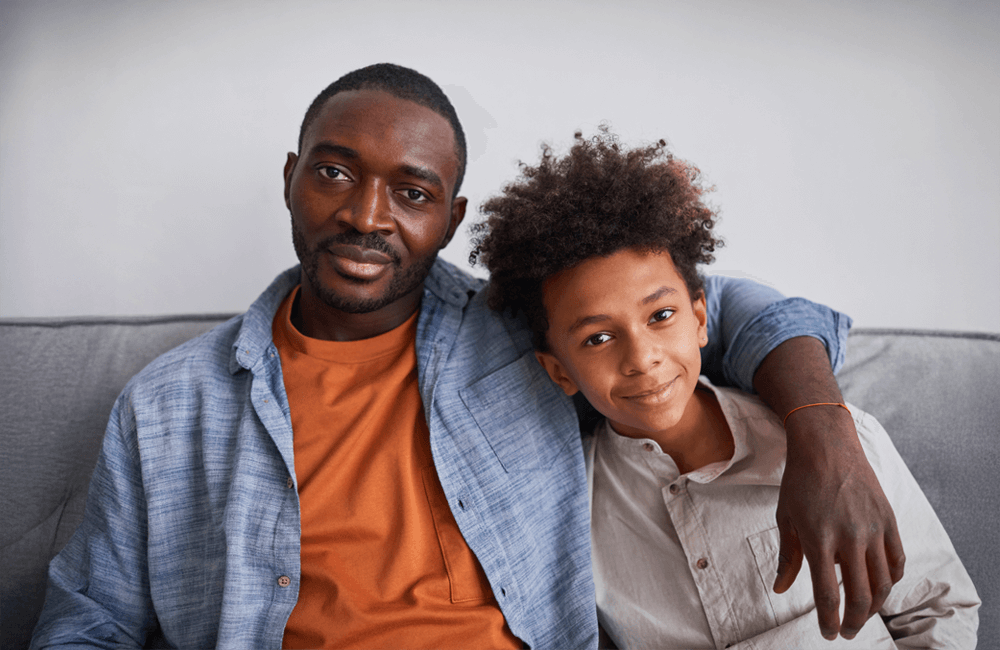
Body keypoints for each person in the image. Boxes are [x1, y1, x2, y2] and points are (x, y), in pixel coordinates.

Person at [31, 64, 900, 649]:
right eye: (334, 173)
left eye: (412, 192)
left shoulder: (525, 332)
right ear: (291, 176)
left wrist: (825, 437)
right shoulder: (169, 405)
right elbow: (88, 620)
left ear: (451, 217)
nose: (366, 215)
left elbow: (737, 307)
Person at [471, 129, 980, 648]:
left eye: (661, 316)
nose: (642, 357)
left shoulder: (847, 446)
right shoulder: (567, 506)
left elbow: (938, 609)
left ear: (699, 319)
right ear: (559, 371)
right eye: (598, 337)